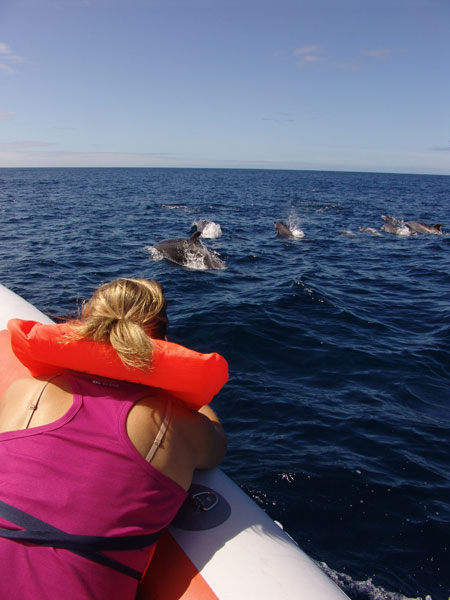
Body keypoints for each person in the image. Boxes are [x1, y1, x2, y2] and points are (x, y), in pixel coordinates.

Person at [0, 277, 227, 600]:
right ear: (162, 338)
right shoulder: (173, 423)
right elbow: (217, 447)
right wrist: (188, 396)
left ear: (84, 322)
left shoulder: (28, 391)